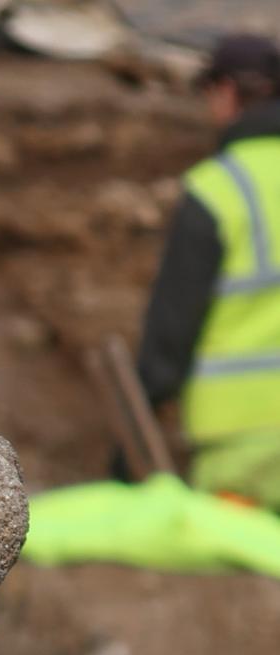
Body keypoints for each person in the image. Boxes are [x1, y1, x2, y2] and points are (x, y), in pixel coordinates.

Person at [136, 33, 280, 506]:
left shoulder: (218, 188)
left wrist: (138, 425)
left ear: (225, 92)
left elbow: (171, 330)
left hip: (241, 444)